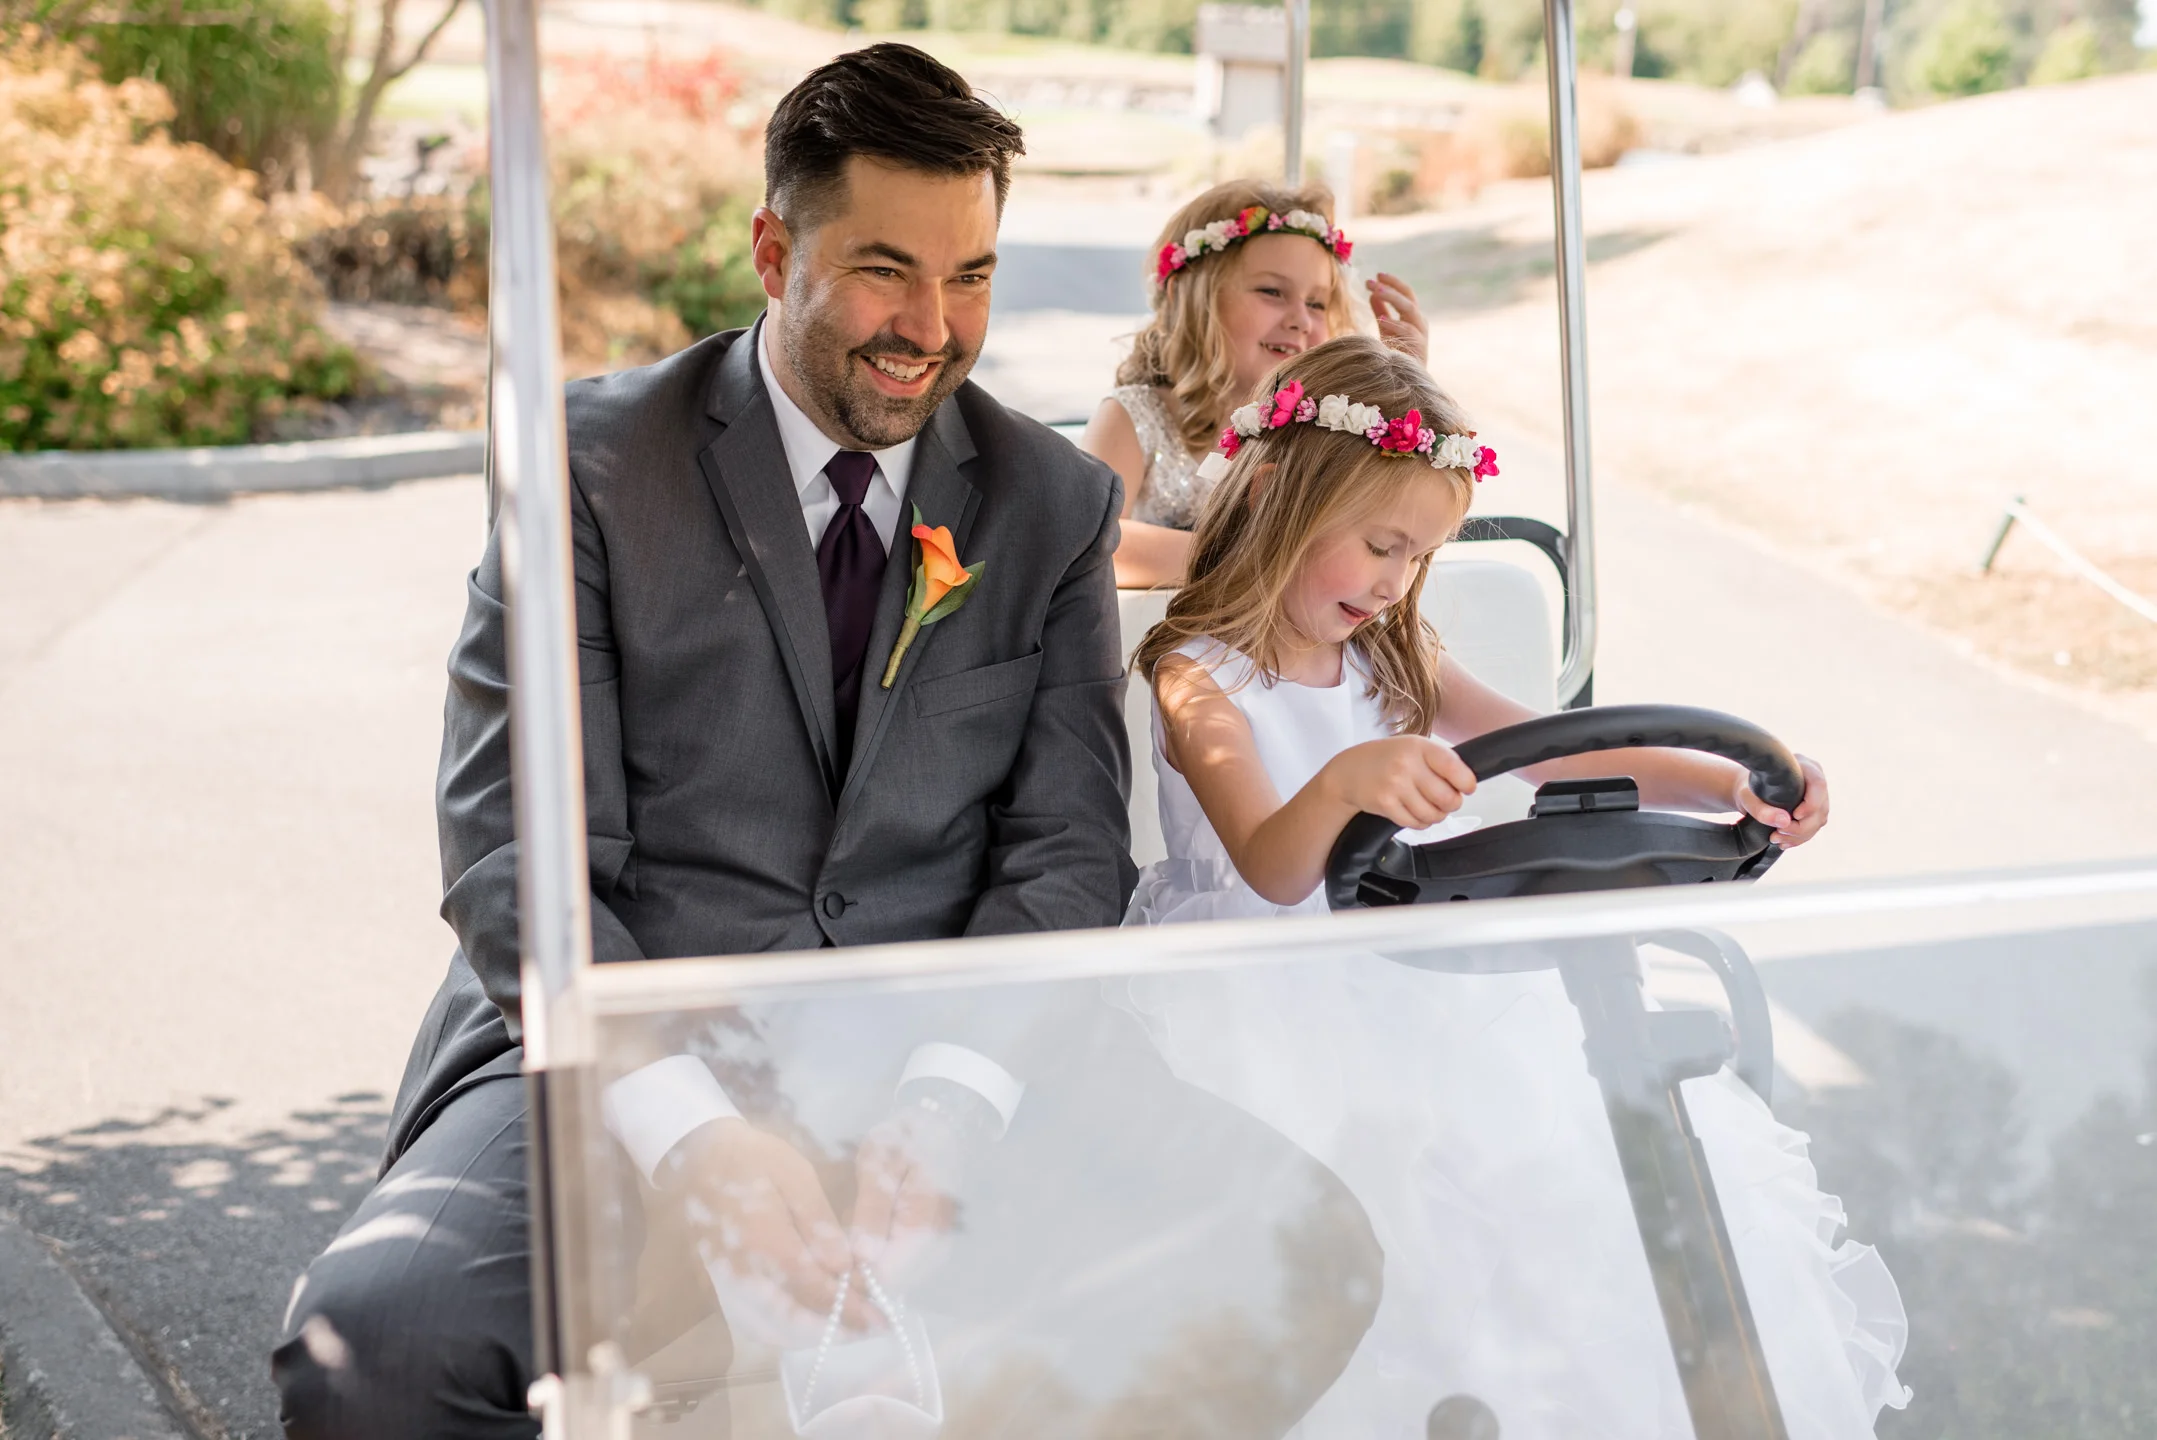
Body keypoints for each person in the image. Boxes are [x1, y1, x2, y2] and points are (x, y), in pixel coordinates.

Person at [272, 45, 1379, 1437]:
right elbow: (514, 853)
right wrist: (688, 1125)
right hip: (634, 1032)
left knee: (1308, 1256)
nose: (930, 323)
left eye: (969, 274)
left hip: (944, 1030)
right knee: (375, 1353)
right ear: (770, 249)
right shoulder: (590, 467)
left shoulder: (1046, 502)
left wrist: (952, 1097)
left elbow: (1065, 852)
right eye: (883, 270)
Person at [1120, 334, 1913, 1436]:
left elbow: (1549, 749)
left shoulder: (1394, 657)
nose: (1398, 581)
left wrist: (1733, 775)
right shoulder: (1195, 669)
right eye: (1382, 544)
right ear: (1284, 497)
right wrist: (1350, 780)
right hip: (1268, 1002)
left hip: (1420, 978)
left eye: (1422, 556)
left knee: (1567, 1180)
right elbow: (1272, 860)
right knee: (1402, 1228)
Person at [1080, 179, 1431, 589]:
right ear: (1188, 296)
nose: (1301, 318)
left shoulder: (1326, 431)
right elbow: (1090, 542)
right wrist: (1266, 561)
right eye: (1272, 291)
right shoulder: (1133, 417)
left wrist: (1403, 389)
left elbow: (1400, 531)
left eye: (1316, 303)